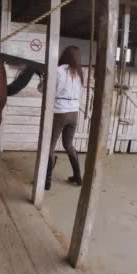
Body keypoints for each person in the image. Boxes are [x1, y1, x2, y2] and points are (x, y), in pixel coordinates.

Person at [43, 46, 84, 190]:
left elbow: (43, 88)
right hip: (74, 113)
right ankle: (78, 176)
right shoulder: (80, 73)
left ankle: (46, 181)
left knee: (50, 146)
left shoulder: (58, 70)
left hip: (60, 112)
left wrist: (43, 79)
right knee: (68, 144)